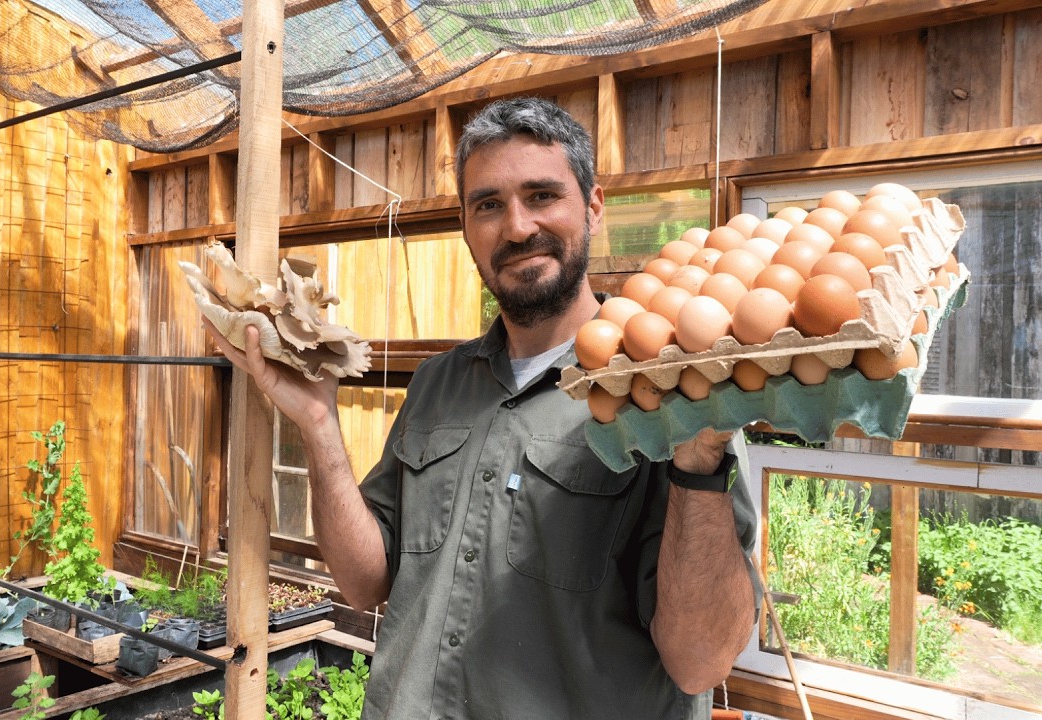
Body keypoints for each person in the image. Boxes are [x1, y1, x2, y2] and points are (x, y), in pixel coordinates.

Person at [202, 97, 760, 719]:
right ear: (466, 227)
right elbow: (366, 584)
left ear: (594, 207)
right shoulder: (441, 382)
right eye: (489, 205)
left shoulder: (662, 392)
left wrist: (700, 462)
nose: (517, 228)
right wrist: (318, 424)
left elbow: (701, 663)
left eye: (542, 195)